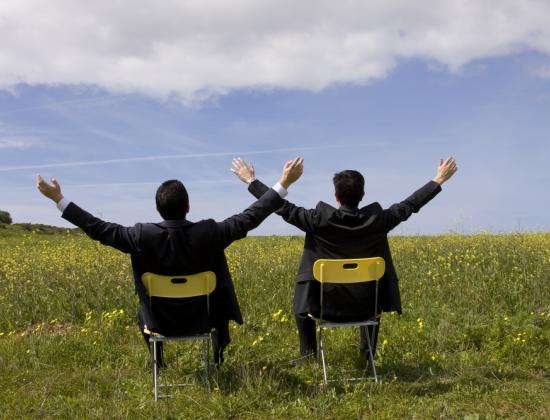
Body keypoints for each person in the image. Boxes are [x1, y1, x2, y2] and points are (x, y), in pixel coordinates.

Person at [36, 157, 304, 366]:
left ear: (158, 209)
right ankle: (217, 359)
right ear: (188, 207)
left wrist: (58, 199)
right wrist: (283, 183)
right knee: (219, 304)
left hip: (159, 322)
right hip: (205, 319)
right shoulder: (209, 232)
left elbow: (97, 227)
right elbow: (251, 216)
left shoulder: (140, 236)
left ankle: (159, 361)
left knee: (141, 312)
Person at [232, 156, 457, 362]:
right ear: (362, 195)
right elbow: (410, 205)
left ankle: (308, 355)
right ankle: (367, 356)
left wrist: (251, 181)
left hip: (322, 307)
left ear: (336, 196)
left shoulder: (317, 219)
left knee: (302, 298)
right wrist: (438, 180)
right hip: (367, 307)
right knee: (372, 294)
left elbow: (281, 207)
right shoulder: (378, 220)